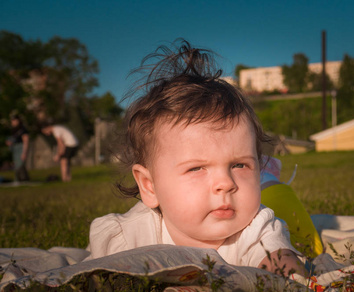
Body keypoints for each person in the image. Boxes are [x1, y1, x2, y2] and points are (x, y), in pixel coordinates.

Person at [85, 40, 308, 276]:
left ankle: (269, 178)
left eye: (239, 164)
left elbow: (281, 266)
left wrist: (287, 275)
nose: (226, 183)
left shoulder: (256, 228)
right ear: (150, 187)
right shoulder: (127, 237)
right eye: (197, 168)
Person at [6, 114, 30, 182]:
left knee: (20, 164)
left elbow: (26, 140)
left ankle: (23, 179)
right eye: (12, 121)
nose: (13, 122)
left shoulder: (22, 129)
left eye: (14, 121)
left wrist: (24, 152)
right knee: (16, 164)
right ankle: (19, 179)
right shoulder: (13, 130)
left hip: (21, 147)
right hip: (15, 148)